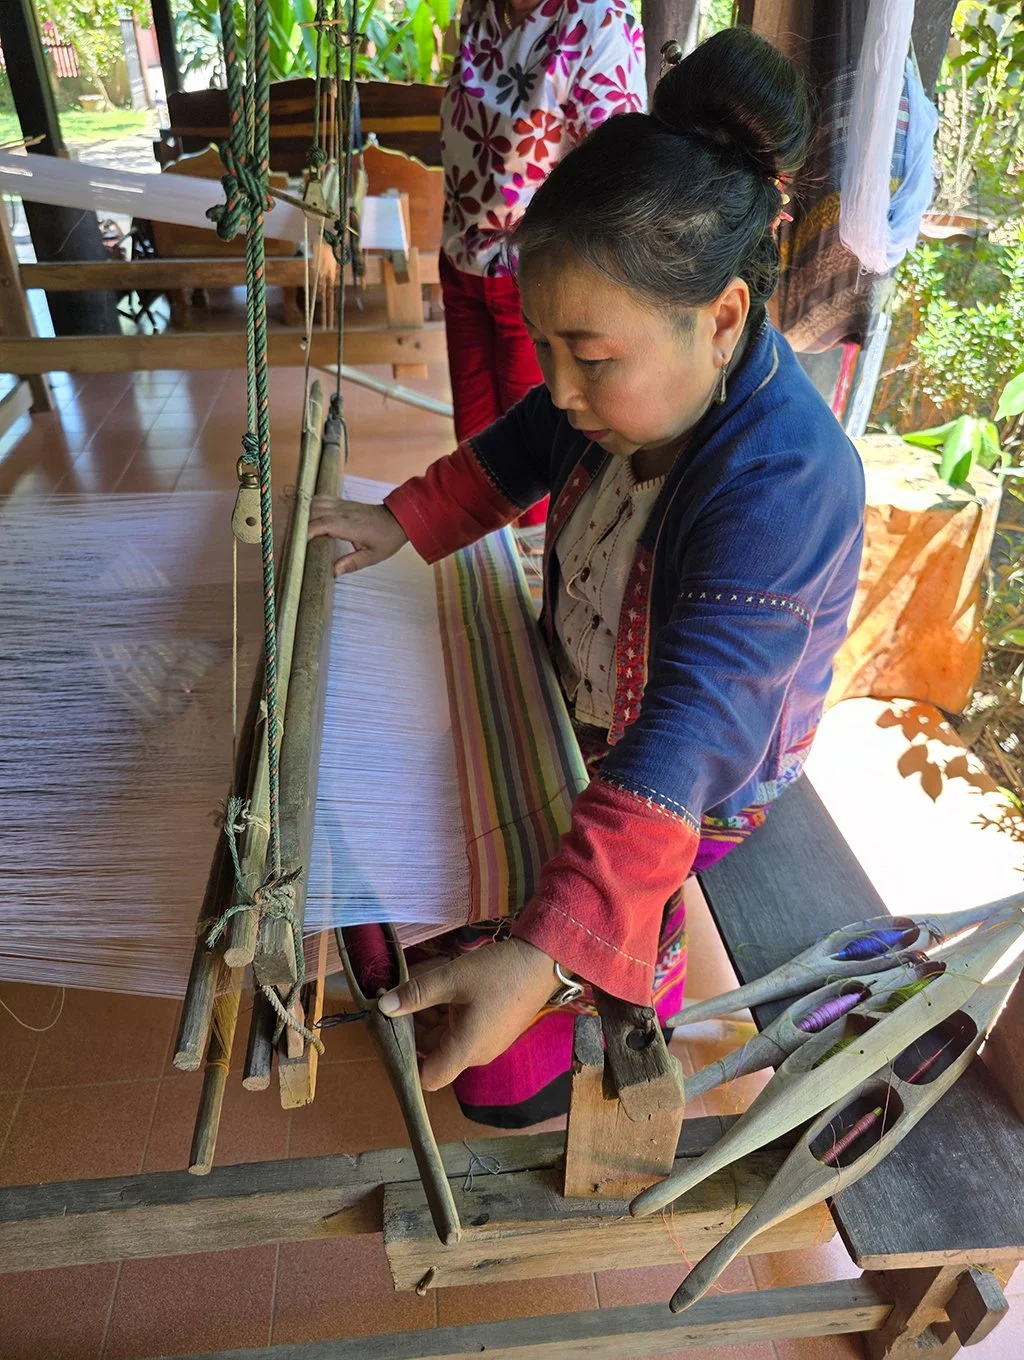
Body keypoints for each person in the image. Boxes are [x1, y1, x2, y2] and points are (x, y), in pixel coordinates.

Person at [309, 28, 865, 1128]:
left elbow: (692, 735)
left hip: (702, 776)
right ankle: (511, 951)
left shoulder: (782, 486)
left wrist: (539, 955)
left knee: (535, 1004)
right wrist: (398, 523)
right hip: (595, 690)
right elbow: (518, 448)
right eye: (546, 348)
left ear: (720, 320)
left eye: (588, 357)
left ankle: (620, 978)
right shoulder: (616, 399)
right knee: (435, 832)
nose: (557, 388)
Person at [439, 0, 647, 525]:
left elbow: (616, 172)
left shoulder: (598, 19)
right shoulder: (480, 11)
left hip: (537, 282)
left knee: (534, 467)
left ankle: (534, 587)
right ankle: (484, 580)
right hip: (463, 257)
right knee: (478, 451)